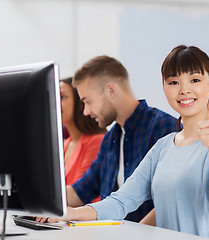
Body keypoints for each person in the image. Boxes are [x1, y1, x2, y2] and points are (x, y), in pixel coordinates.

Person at [56, 45, 209, 239]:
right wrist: (71, 213)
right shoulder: (162, 147)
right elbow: (121, 201)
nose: (184, 90)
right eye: (173, 82)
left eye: (195, 80)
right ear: (164, 88)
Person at [38, 56, 178, 223]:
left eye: (87, 101)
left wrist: (138, 232)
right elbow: (80, 191)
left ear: (111, 90)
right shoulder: (110, 139)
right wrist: (35, 200)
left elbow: (170, 201)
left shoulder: (162, 126)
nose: (85, 112)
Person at [59, 77, 106, 186]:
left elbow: (84, 192)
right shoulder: (67, 144)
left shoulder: (97, 142)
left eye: (62, 97)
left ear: (81, 103)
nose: (55, 103)